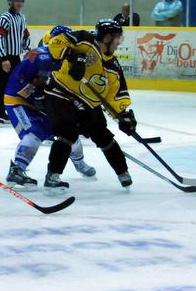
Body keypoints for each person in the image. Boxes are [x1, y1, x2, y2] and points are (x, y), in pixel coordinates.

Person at [42, 19, 136, 194]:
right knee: (66, 131)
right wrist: (73, 56)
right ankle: (53, 175)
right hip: (60, 93)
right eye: (117, 38)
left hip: (86, 102)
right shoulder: (84, 39)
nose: (118, 43)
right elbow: (55, 43)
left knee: (103, 135)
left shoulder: (113, 66)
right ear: (107, 38)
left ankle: (122, 171)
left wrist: (123, 116)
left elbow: (114, 96)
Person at [3, 25, 97, 189]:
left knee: (67, 129)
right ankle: (17, 170)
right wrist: (41, 98)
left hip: (38, 100)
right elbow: (29, 81)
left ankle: (79, 163)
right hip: (18, 99)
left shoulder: (61, 57)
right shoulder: (41, 55)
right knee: (35, 131)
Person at [0, 0, 30, 126]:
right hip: (5, 58)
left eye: (21, 0)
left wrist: (27, 50)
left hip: (16, 57)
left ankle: (1, 113)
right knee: (2, 87)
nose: (19, 3)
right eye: (16, 0)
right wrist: (3, 57)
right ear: (10, 2)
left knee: (12, 87)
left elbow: (25, 35)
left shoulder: (22, 18)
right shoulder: (5, 18)